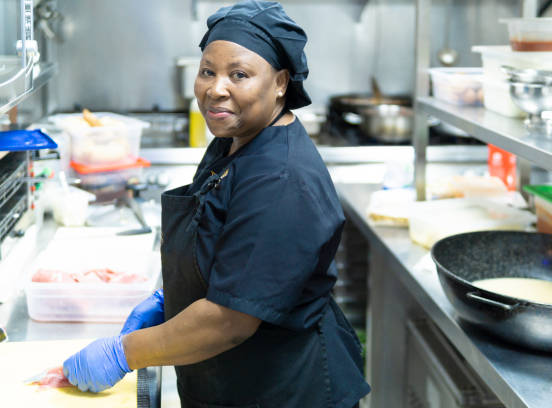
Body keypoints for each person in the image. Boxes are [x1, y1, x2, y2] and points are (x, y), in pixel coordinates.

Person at [62, 1, 371, 406]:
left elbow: (230, 320)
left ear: (280, 82)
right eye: (207, 71)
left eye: (238, 74)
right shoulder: (237, 137)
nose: (215, 88)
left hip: (283, 389)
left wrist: (124, 354)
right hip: (232, 378)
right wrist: (172, 299)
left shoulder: (281, 180)